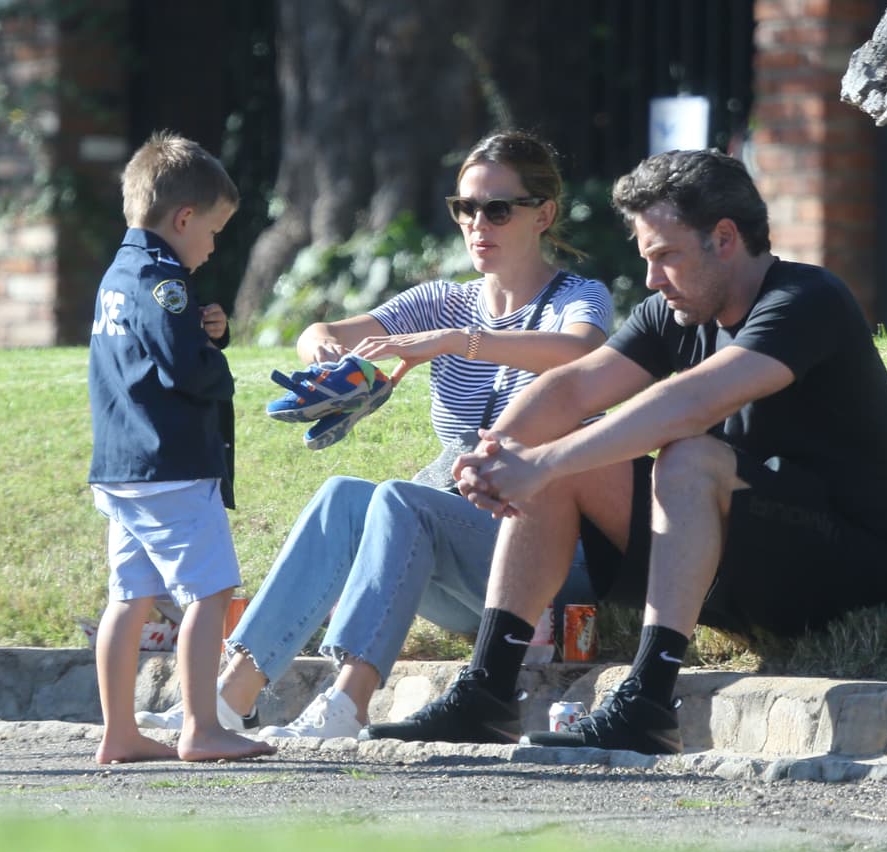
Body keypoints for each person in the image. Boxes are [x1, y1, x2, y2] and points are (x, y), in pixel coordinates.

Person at [360, 148, 887, 754]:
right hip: (735, 553)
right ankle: (487, 692)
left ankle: (648, 701)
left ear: (724, 238)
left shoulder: (807, 300)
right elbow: (574, 385)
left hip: (843, 566)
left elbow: (691, 404)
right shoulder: (672, 311)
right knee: (564, 458)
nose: (651, 279)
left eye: (666, 256)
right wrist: (499, 451)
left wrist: (541, 461)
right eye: (647, 258)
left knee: (686, 454)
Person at [137, 130, 613, 739]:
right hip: (467, 551)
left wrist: (451, 342)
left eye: (497, 208)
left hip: (551, 558)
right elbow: (320, 329)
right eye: (464, 208)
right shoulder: (447, 298)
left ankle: (347, 706)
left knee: (398, 496)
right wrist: (332, 360)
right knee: (342, 495)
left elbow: (581, 351)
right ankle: (229, 700)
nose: (477, 223)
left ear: (542, 214)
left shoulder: (578, 297)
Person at [88, 130, 273, 764]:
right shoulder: (166, 280)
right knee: (210, 592)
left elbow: (147, 349)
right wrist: (218, 365)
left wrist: (204, 330)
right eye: (214, 231)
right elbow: (182, 369)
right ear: (184, 217)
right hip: (171, 466)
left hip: (122, 467)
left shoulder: (119, 273)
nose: (213, 245)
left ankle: (119, 733)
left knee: (130, 597)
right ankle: (201, 727)